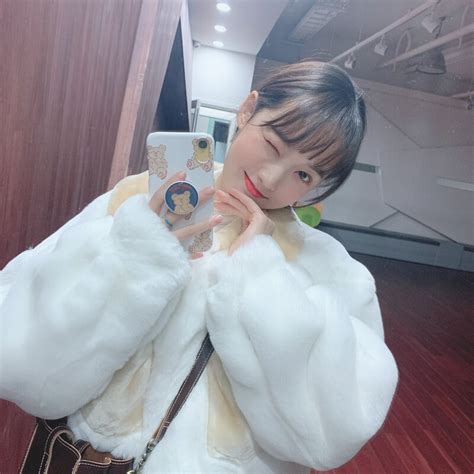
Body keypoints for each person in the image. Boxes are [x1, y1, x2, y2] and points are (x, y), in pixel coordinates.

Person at [0, 60, 398, 473]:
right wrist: (136, 254)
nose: (270, 178)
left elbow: (329, 436)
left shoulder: (324, 265)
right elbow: (20, 357)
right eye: (273, 144)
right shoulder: (132, 201)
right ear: (247, 110)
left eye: (303, 174)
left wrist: (261, 277)